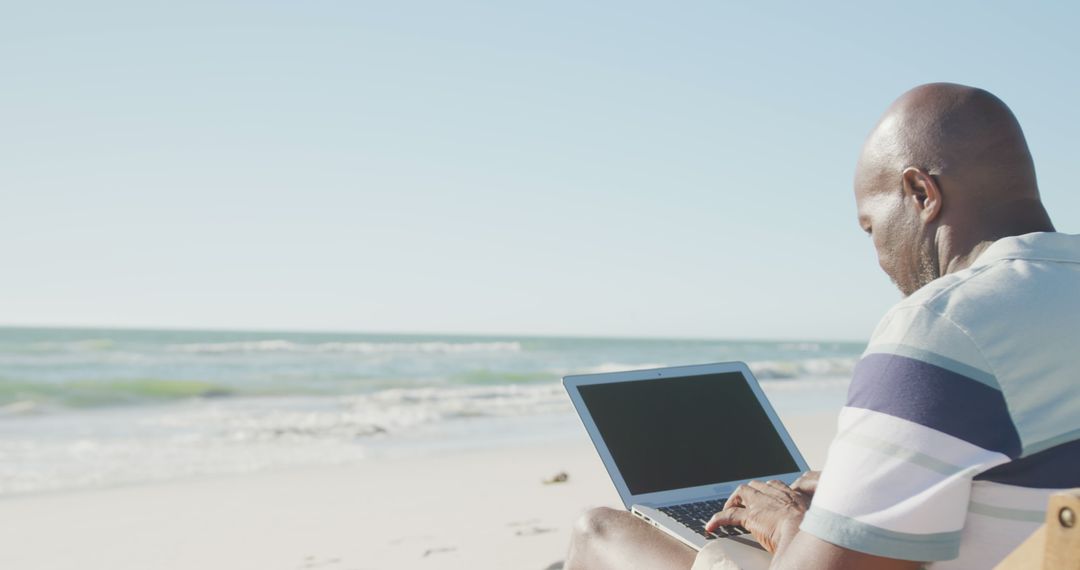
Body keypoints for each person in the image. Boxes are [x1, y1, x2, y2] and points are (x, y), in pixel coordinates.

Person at [563, 82, 1080, 569]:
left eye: (871, 226)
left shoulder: (942, 324)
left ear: (921, 193)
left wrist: (785, 521)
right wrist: (864, 498)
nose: (878, 255)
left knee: (600, 530)